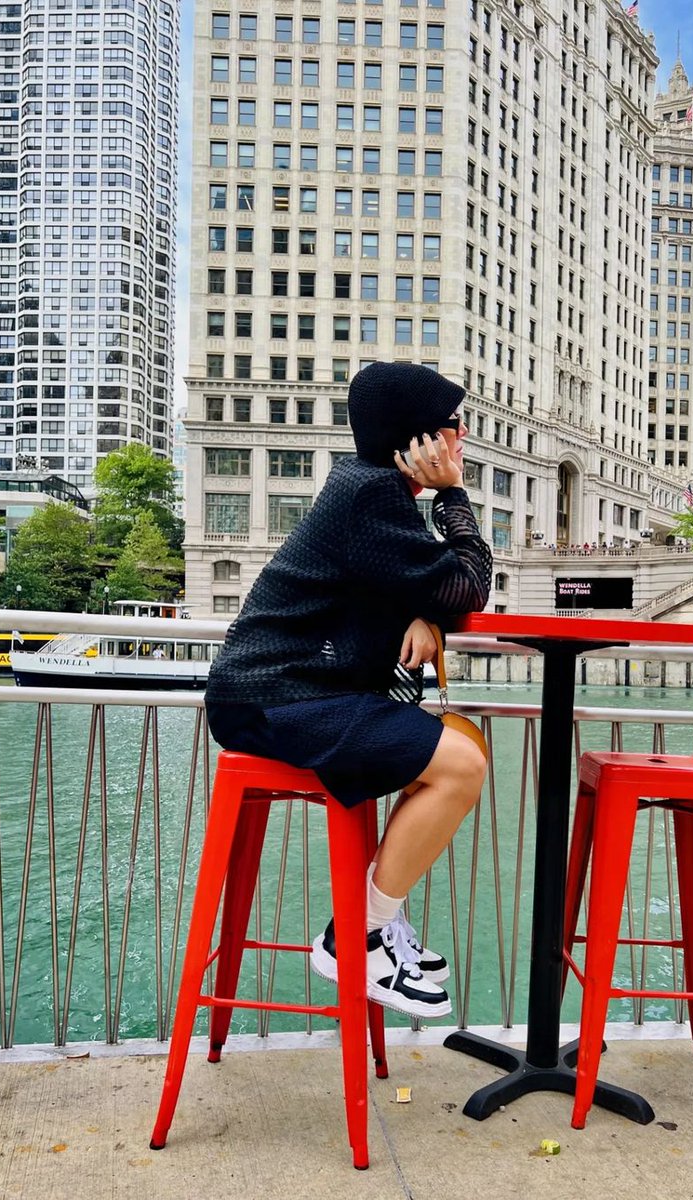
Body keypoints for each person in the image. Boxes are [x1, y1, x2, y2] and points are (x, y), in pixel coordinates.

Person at [205, 363, 492, 1019]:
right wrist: (453, 495)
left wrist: (424, 612)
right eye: (454, 425)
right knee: (462, 765)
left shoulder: (366, 488)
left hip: (293, 690)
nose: (463, 435)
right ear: (420, 440)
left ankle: (378, 922)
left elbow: (422, 584)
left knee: (456, 746)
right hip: (276, 696)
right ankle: (356, 937)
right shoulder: (372, 495)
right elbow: (470, 585)